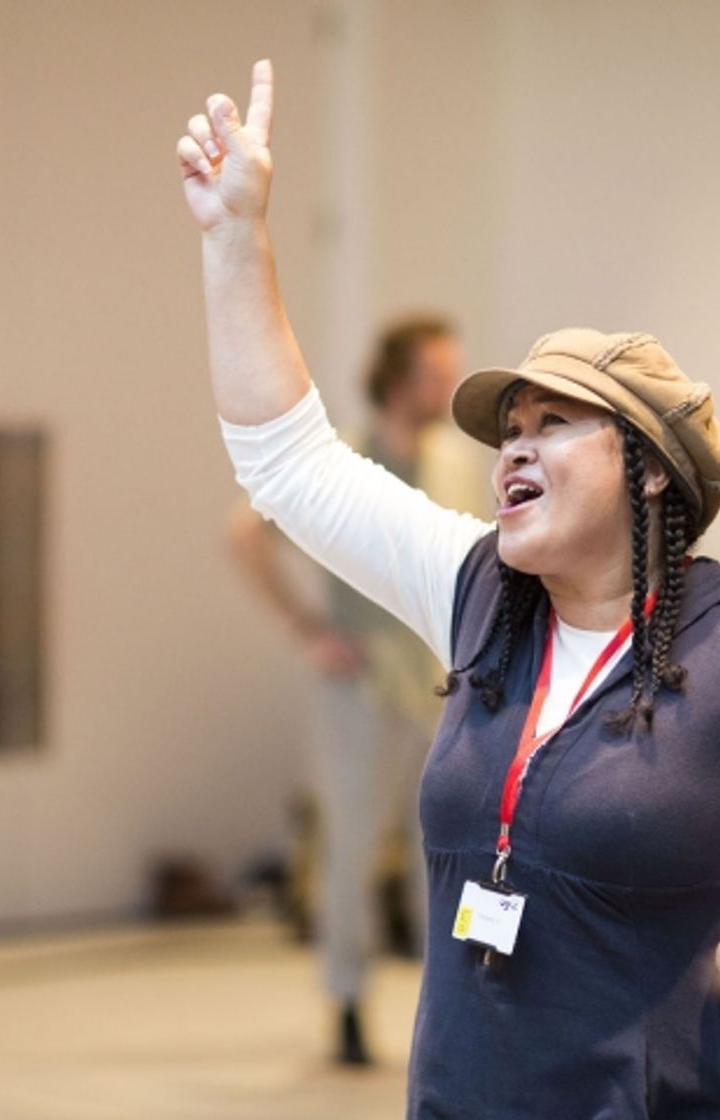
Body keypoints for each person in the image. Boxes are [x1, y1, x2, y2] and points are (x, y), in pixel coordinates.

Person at [175, 62, 720, 1116]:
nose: (514, 448)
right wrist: (235, 239)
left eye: (554, 424)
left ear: (648, 468)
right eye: (509, 430)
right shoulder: (474, 592)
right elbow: (289, 465)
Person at [226, 316, 466, 1065]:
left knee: (446, 851)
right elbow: (243, 532)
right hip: (358, 686)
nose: (450, 385)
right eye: (438, 372)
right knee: (351, 849)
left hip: (437, 684)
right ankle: (349, 1001)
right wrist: (307, 629)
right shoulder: (348, 458)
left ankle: (451, 1008)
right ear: (400, 380)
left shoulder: (455, 461)